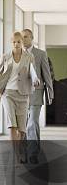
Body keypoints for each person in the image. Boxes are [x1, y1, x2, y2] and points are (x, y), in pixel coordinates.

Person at [0, 31, 40, 163]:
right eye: (14, 42)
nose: (16, 44)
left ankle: (20, 150)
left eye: (19, 42)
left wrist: (35, 79)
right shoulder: (5, 57)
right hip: (8, 94)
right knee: (12, 126)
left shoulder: (29, 56)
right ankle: (16, 157)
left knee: (21, 130)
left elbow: (32, 72)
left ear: (22, 43)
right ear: (11, 43)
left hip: (23, 95)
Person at [22, 28, 54, 163]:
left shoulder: (41, 54)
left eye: (26, 37)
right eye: (22, 37)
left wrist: (50, 93)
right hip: (20, 95)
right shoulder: (16, 53)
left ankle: (33, 153)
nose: (23, 39)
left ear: (32, 38)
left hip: (36, 93)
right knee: (23, 125)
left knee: (32, 123)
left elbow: (46, 74)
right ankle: (24, 153)